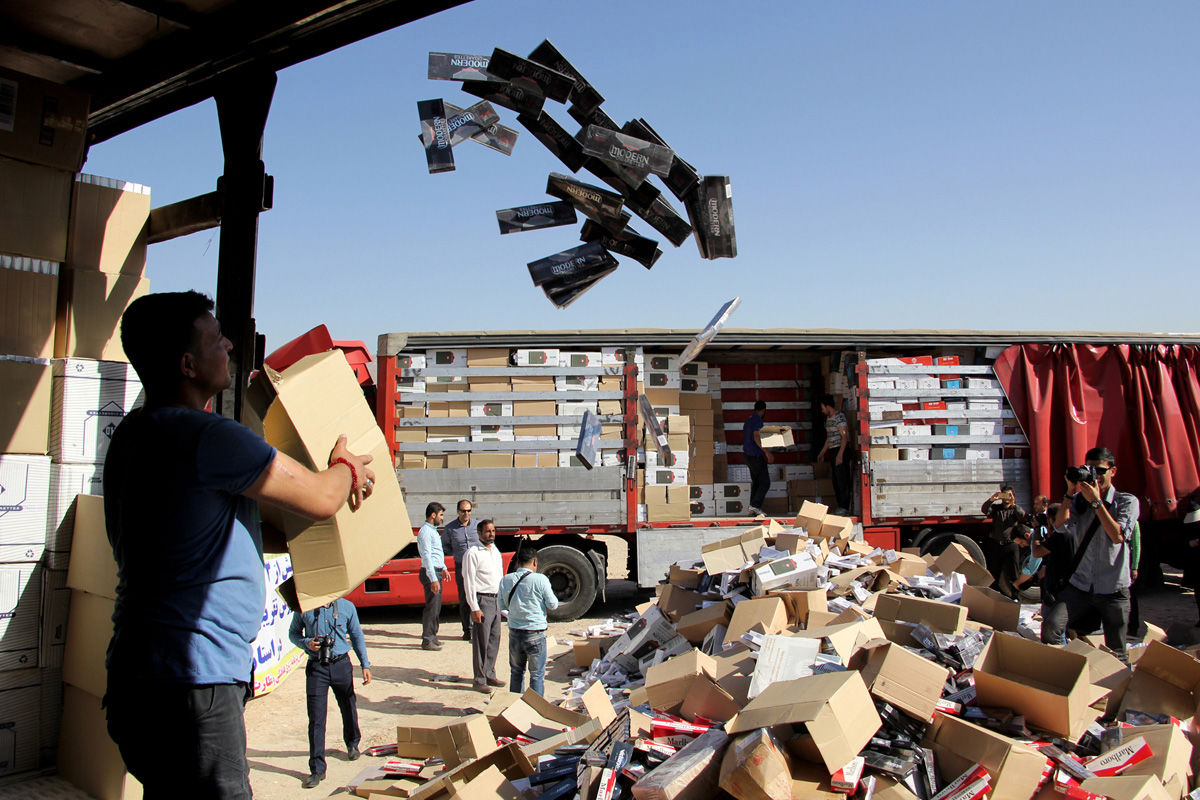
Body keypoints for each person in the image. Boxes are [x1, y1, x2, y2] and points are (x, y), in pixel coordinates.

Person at [103, 291, 375, 800]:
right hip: (193, 682)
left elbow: (220, 530)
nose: (229, 343)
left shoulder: (137, 435)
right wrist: (345, 465)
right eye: (214, 337)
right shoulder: (206, 437)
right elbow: (319, 498)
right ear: (187, 363)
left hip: (141, 677)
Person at [1041, 447, 1139, 662]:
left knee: (1117, 651)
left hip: (1113, 587)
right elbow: (1060, 527)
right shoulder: (1079, 500)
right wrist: (1069, 491)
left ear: (1113, 471)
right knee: (1051, 627)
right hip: (1081, 584)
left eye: (1100, 471)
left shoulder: (1127, 501)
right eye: (1089, 469)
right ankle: (1067, 671)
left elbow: (1117, 536)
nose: (1095, 476)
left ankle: (1117, 690)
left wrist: (1096, 502)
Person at [288, 598, 372, 789]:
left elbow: (357, 635)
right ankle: (317, 769)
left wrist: (365, 664)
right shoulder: (305, 608)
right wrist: (306, 643)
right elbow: (293, 633)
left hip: (341, 664)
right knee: (316, 717)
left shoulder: (347, 606)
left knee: (348, 705)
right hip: (317, 668)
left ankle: (352, 743)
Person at [498, 545, 558, 695]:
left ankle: (515, 710)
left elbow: (501, 605)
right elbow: (553, 604)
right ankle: (535, 711)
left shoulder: (506, 580)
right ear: (535, 562)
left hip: (515, 633)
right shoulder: (540, 580)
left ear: (517, 562)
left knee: (516, 672)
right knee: (537, 675)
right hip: (535, 633)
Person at [461, 519, 504, 693]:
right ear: (479, 534)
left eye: (493, 531)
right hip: (482, 601)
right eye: (487, 531)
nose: (491, 534)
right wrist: (474, 607)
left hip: (496, 600)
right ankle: (479, 679)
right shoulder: (472, 553)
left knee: (494, 639)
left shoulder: (495, 551)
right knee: (481, 641)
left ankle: (490, 673)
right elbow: (469, 581)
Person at [980, 486, 1030, 598]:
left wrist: (1014, 503)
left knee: (1014, 573)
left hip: (1011, 545)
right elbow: (985, 510)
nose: (1006, 498)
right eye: (1004, 495)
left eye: (1009, 495)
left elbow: (1022, 515)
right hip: (996, 545)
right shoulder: (997, 508)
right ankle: (993, 597)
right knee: (993, 573)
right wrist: (991, 500)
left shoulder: (1015, 510)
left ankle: (1015, 597)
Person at [443, 500, 480, 641]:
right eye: (463, 511)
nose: (466, 514)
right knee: (465, 598)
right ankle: (467, 630)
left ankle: (478, 629)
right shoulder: (450, 528)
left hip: (477, 567)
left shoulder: (477, 526)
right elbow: (445, 547)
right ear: (458, 511)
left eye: (469, 511)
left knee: (479, 597)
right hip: (461, 567)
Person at [417, 502, 447, 651]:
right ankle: (427, 639)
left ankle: (433, 636)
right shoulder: (425, 532)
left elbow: (437, 553)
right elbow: (427, 556)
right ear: (433, 515)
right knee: (432, 606)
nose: (442, 518)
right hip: (431, 572)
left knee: (436, 606)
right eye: (440, 515)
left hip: (436, 570)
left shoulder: (433, 531)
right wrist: (433, 578)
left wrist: (444, 568)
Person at [817, 395, 852, 515]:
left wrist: (840, 455)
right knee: (836, 480)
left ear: (827, 406)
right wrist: (822, 453)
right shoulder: (828, 419)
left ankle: (845, 506)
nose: (822, 410)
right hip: (832, 450)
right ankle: (840, 505)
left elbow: (844, 437)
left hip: (840, 450)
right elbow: (829, 438)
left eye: (822, 407)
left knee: (842, 479)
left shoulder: (839, 417)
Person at [742, 400, 769, 516]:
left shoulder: (748, 420)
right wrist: (767, 452)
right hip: (756, 455)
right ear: (763, 410)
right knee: (765, 482)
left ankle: (752, 508)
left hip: (748, 456)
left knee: (757, 482)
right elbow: (757, 437)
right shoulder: (757, 420)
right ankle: (756, 505)